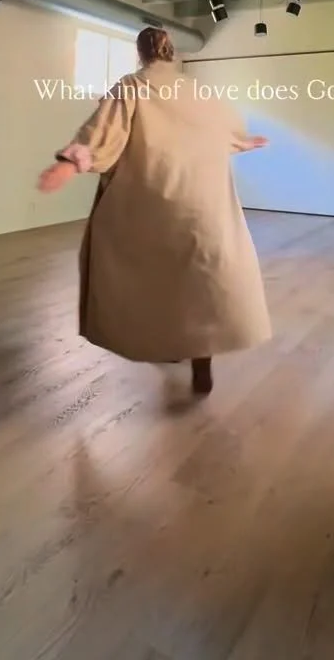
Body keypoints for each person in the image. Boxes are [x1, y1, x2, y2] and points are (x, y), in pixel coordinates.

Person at [37, 27, 271, 395]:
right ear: (171, 52)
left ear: (141, 53)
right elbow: (227, 131)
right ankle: (201, 363)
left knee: (158, 279)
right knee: (199, 282)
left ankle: (169, 345)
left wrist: (69, 163)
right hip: (203, 205)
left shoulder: (131, 86)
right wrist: (244, 142)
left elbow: (102, 132)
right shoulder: (198, 91)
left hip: (152, 204)